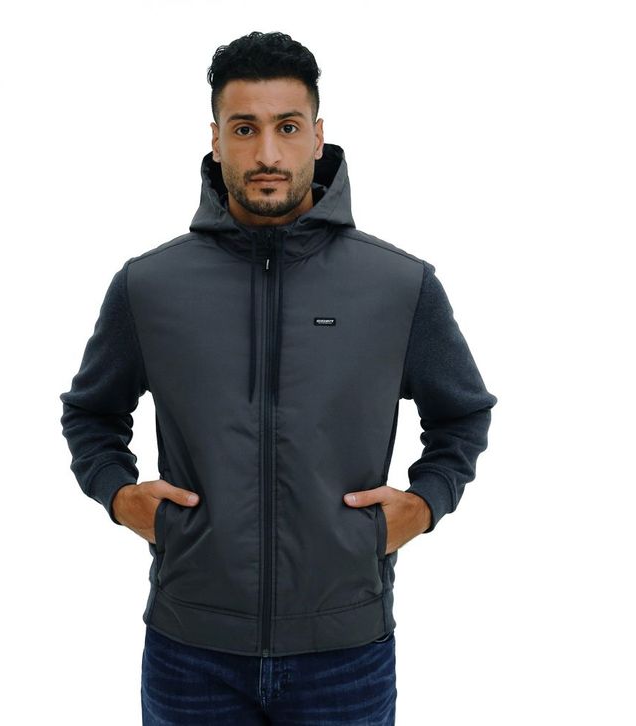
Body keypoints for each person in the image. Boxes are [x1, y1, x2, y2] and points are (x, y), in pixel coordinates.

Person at [59, 30, 497, 725]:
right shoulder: (150, 286)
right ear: (216, 140)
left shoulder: (397, 286)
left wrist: (424, 503)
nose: (267, 154)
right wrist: (120, 495)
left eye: (287, 127)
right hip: (190, 653)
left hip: (345, 655)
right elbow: (90, 412)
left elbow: (462, 415)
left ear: (318, 137)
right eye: (245, 129)